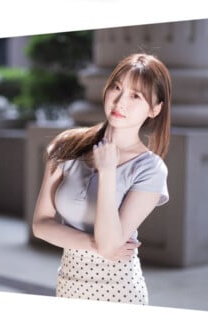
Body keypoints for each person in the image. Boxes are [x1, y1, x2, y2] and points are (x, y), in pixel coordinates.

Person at [32, 53, 172, 305]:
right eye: (117, 88)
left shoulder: (151, 169)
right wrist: (95, 244)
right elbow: (41, 225)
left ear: (155, 109)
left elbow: (111, 245)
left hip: (119, 291)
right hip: (68, 285)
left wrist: (107, 173)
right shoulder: (66, 146)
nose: (120, 101)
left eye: (135, 96)